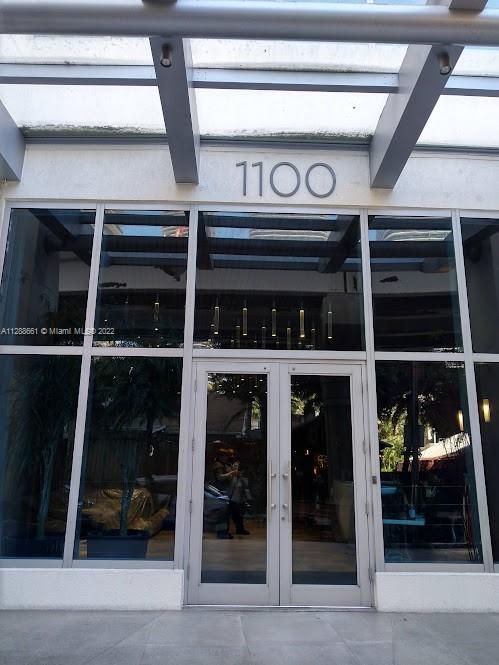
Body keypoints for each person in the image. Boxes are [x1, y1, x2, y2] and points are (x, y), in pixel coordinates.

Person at [212, 444, 251, 537]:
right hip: (222, 491)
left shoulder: (226, 464)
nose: (225, 457)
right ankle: (223, 532)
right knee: (224, 513)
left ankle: (238, 529)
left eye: (226, 456)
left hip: (229, 491)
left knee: (236, 511)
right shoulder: (218, 465)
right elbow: (220, 477)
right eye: (223, 456)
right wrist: (232, 473)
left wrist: (234, 472)